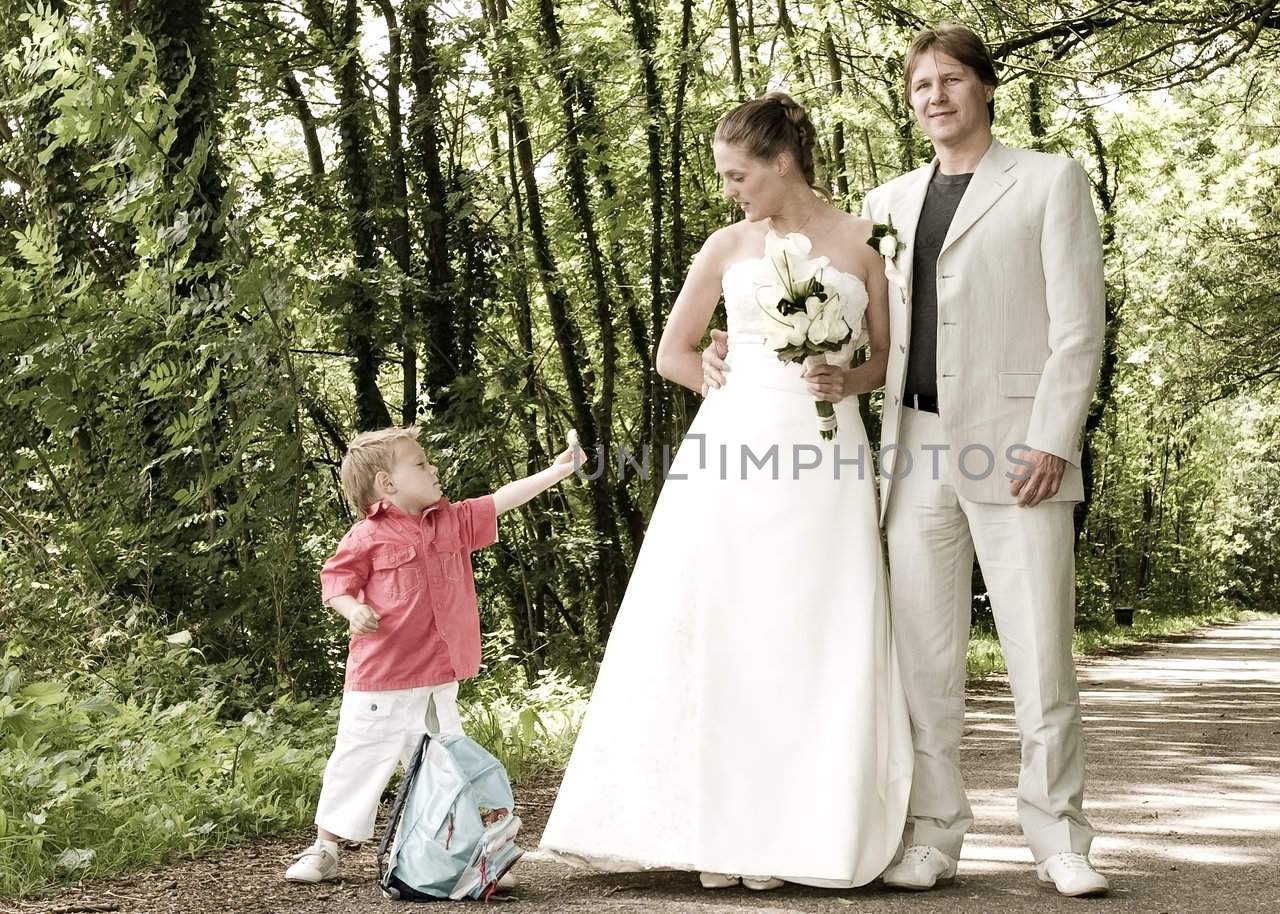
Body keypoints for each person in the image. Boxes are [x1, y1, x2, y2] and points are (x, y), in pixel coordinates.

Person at [704, 21, 1110, 899]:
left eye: (951, 79)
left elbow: (1078, 328)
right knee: (923, 662)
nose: (935, 96)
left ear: (985, 87)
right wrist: (725, 355)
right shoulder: (885, 204)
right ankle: (931, 834)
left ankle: (1062, 839)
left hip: (1018, 451)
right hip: (912, 449)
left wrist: (1052, 436)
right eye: (921, 83)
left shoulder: (1049, 181)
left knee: (1041, 655)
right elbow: (836, 316)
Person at [537, 92, 912, 891]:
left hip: (822, 452)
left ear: (783, 162)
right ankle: (719, 830)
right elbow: (672, 353)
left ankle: (792, 830)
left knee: (809, 627)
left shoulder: (865, 242)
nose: (731, 188)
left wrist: (846, 377)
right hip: (733, 447)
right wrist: (707, 369)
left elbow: (887, 358)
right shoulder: (724, 245)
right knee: (730, 624)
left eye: (740, 174)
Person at [284, 426, 581, 885]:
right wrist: (353, 609)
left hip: (437, 679)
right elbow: (336, 583)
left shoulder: (452, 522)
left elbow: (502, 499)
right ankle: (325, 846)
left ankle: (457, 858)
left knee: (446, 772)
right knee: (358, 759)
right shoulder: (366, 536)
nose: (432, 468)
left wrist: (557, 471)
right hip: (380, 679)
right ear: (387, 483)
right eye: (420, 464)